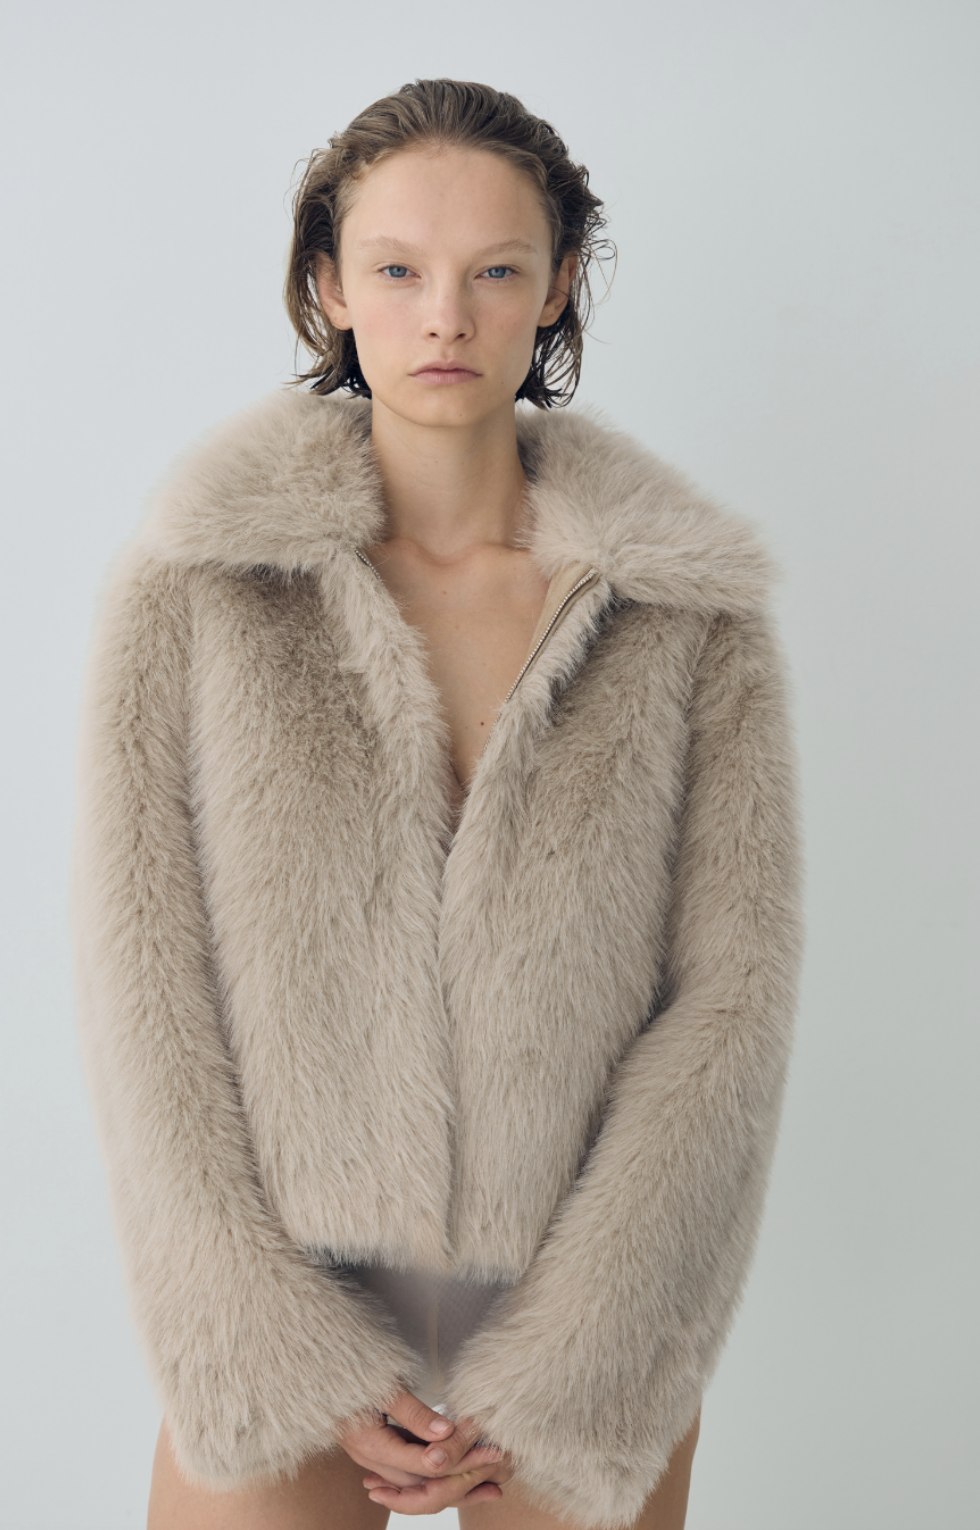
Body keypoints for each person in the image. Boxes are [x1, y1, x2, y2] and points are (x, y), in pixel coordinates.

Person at [71, 79, 804, 1530]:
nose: (444, 316)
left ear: (558, 286)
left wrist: (583, 1348)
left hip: (584, 1301)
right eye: (398, 269)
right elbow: (140, 981)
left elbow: (735, 996)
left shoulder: (685, 609)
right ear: (329, 286)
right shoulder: (195, 583)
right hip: (289, 1285)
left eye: (494, 271)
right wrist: (278, 1342)